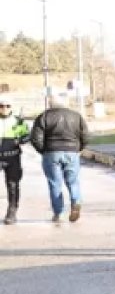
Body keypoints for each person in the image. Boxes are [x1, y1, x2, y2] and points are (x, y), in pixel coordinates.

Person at [29, 91, 89, 223]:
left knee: (55, 183)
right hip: (72, 152)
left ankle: (58, 213)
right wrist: (79, 149)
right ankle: (76, 201)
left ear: (51, 103)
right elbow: (86, 136)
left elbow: (35, 138)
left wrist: (44, 151)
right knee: (73, 181)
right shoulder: (76, 116)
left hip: (51, 152)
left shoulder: (44, 116)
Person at [0, 96, 30, 225]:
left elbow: (27, 135)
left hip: (13, 156)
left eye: (7, 106)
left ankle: (12, 211)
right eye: (1, 106)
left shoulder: (19, 121)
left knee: (12, 185)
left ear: (11, 107)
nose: (4, 108)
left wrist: (21, 140)